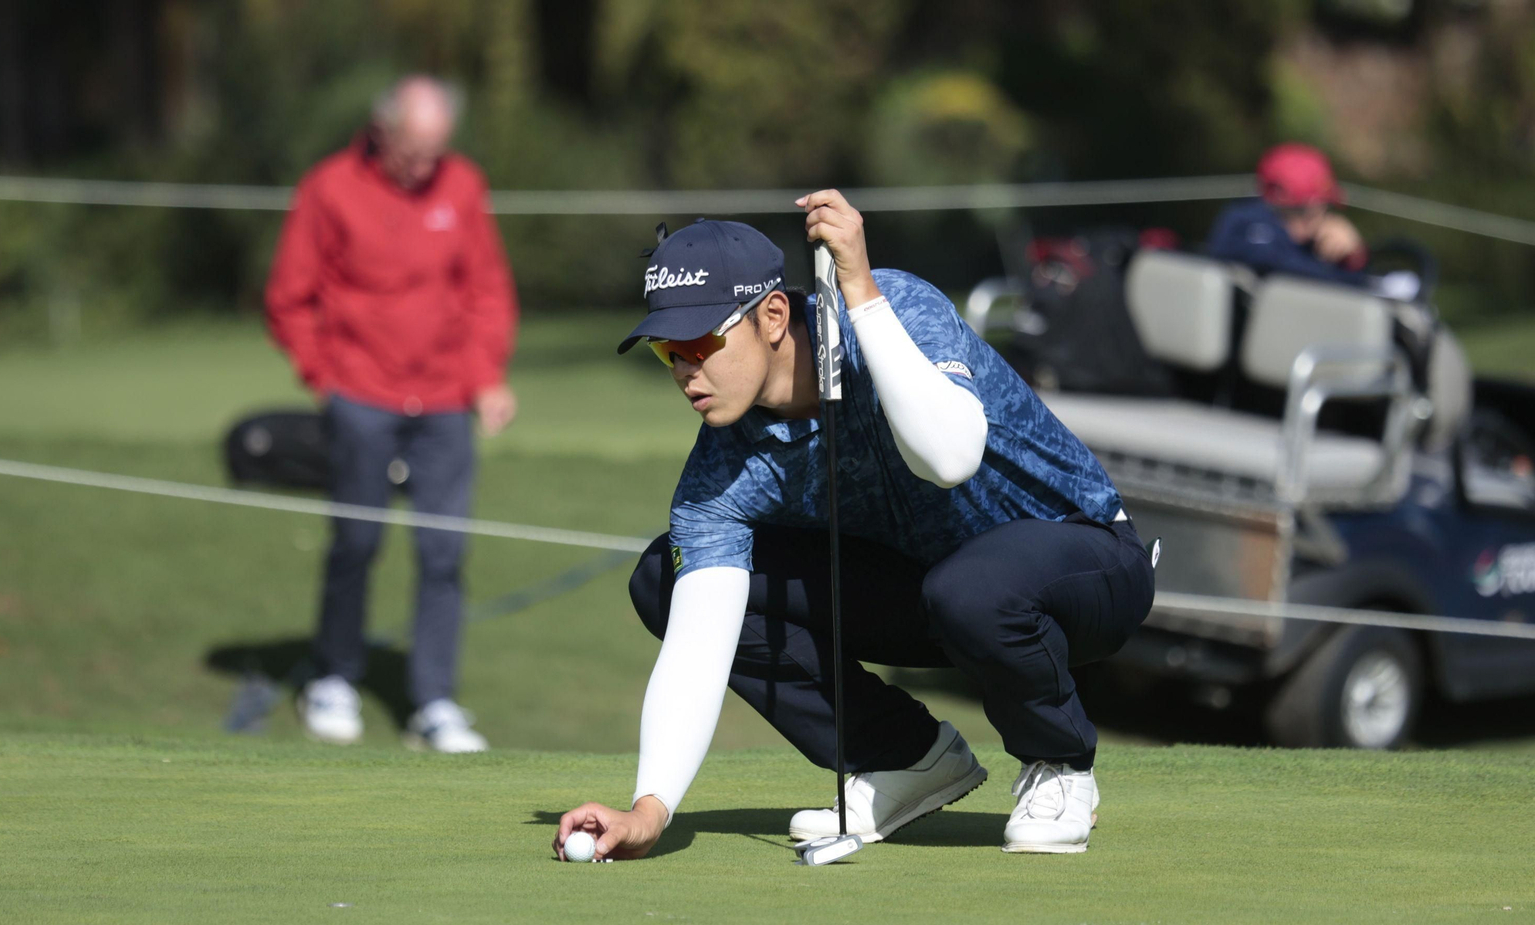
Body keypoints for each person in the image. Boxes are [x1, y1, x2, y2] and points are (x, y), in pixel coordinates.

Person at [554, 191, 1156, 861]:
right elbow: (700, 640)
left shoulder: (894, 305)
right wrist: (650, 809)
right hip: (938, 595)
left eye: (700, 343)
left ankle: (1060, 764)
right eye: (668, 352)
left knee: (972, 587)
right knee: (664, 578)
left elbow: (950, 459)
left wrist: (862, 292)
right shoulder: (718, 474)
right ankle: (906, 757)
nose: (687, 371)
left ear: (773, 316)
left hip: (1088, 564)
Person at [265, 75, 518, 752]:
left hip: (444, 400)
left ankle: (434, 700)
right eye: (413, 150)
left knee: (443, 553)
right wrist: (323, 378)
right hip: (360, 395)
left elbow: (486, 291)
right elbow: (289, 295)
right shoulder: (329, 187)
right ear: (382, 131)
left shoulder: (463, 186)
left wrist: (486, 378)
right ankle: (334, 677)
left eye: (436, 151)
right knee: (357, 542)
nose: (425, 166)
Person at [1208, 143, 1415, 299]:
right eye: (1304, 211)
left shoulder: (1309, 246)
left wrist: (1353, 259)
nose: (1317, 220)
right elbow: (1283, 269)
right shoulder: (1247, 225)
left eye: (1324, 208)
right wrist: (1358, 284)